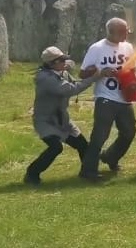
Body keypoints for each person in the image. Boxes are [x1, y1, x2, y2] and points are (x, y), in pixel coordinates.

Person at [25, 46, 114, 186]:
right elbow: (71, 89)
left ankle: (88, 173)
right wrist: (97, 76)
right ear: (52, 63)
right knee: (56, 148)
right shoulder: (45, 78)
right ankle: (31, 174)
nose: (64, 62)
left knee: (83, 145)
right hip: (46, 121)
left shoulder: (61, 73)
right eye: (61, 60)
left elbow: (75, 82)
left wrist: (87, 72)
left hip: (63, 120)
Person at [78, 18, 136, 182]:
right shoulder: (97, 48)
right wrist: (101, 73)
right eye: (123, 32)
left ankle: (110, 157)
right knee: (100, 135)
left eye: (127, 31)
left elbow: (133, 68)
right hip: (105, 98)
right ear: (112, 32)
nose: (127, 34)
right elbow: (82, 74)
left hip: (124, 98)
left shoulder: (128, 47)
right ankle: (88, 170)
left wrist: (133, 83)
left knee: (129, 132)